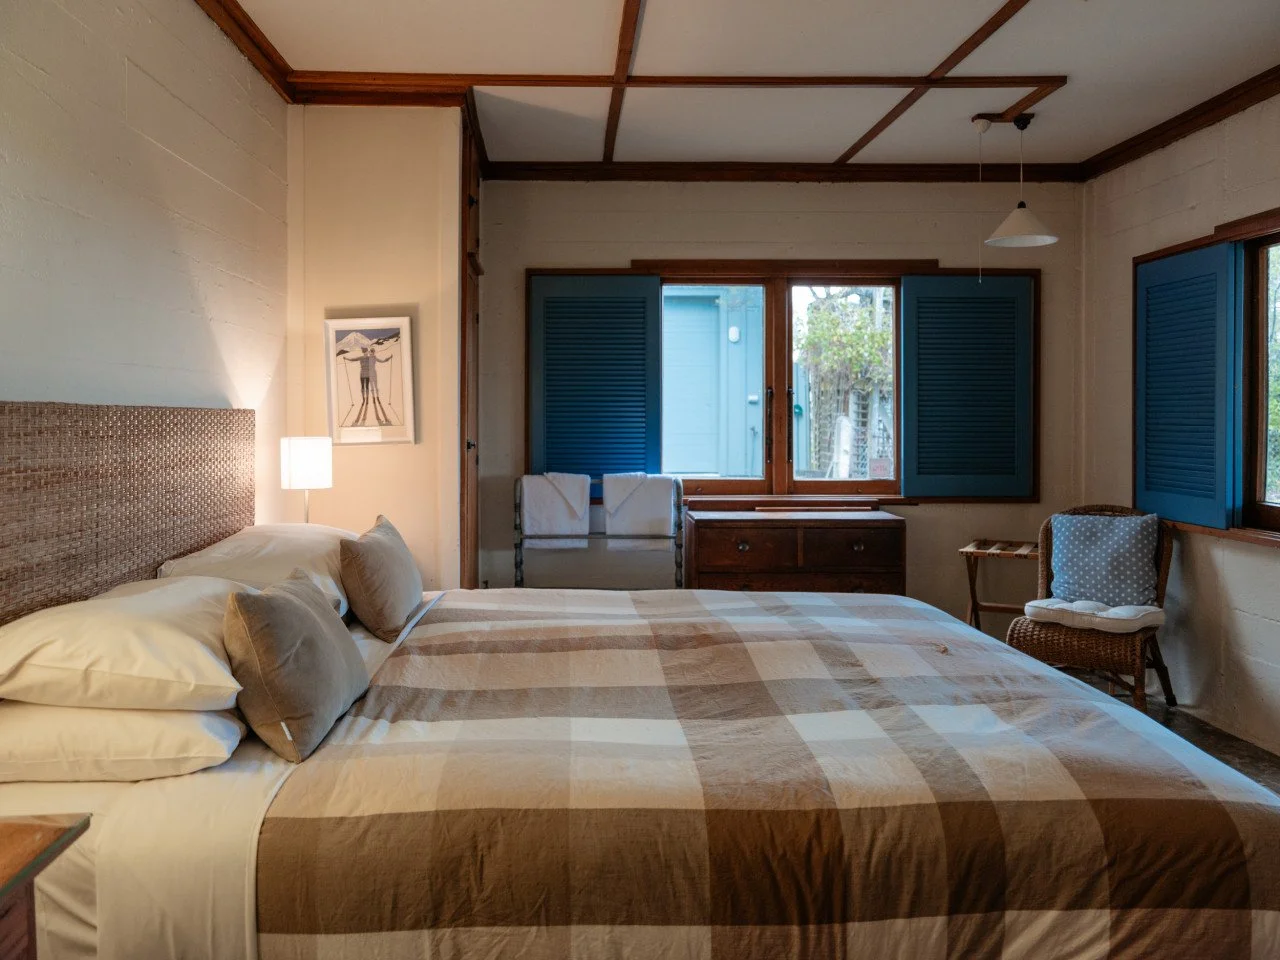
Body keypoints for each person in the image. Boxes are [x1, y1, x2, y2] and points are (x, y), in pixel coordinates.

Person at [342, 346, 392, 425]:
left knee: (363, 387)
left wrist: (346, 358)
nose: (366, 352)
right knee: (366, 387)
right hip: (366, 375)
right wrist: (387, 359)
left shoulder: (366, 357)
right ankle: (366, 399)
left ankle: (364, 399)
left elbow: (353, 359)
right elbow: (380, 360)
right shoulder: (369, 357)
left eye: (364, 351)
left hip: (363, 374)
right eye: (366, 351)